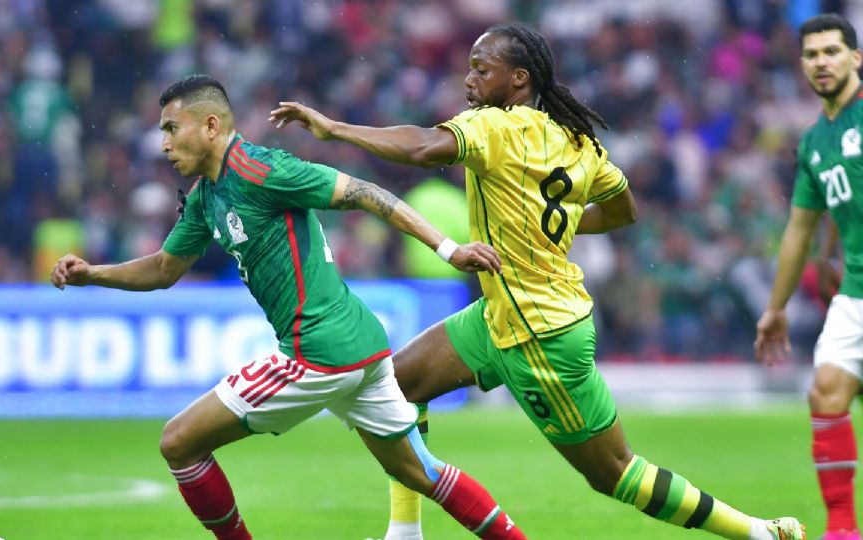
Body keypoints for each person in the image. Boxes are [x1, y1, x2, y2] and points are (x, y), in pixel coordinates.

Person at [271, 22, 807, 540]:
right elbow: (622, 209)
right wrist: (555, 228)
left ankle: (760, 533)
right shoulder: (580, 144)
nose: (469, 81)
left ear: (519, 79)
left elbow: (419, 148)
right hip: (500, 315)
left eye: (482, 69)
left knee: (614, 473)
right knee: (397, 390)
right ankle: (405, 532)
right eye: (469, 70)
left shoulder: (493, 126)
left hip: (543, 334)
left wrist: (334, 128)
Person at [49, 74, 528, 540]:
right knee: (425, 473)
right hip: (360, 347)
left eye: (173, 129)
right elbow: (162, 269)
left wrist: (449, 250)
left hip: (315, 352)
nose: (166, 144)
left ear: (211, 125)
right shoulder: (206, 198)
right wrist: (94, 274)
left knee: (179, 443)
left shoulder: (261, 170)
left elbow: (367, 193)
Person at [755, 13, 863, 540]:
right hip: (856, 291)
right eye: (813, 54)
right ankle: (842, 529)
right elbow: (800, 227)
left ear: (856, 58)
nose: (822, 62)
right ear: (802, 64)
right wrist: (776, 308)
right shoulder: (815, 142)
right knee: (826, 392)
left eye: (832, 51)